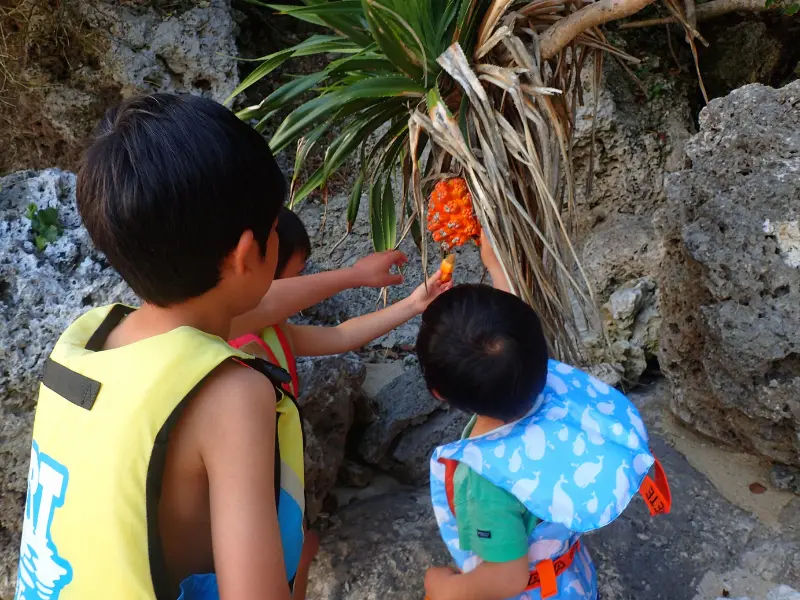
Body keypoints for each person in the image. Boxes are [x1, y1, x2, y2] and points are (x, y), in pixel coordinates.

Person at [11, 92, 440, 600]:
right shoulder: (230, 394)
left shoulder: (92, 340)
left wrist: (354, 277)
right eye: (273, 228)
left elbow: (258, 302)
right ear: (246, 253)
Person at [418, 233, 671, 600]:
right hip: (570, 575)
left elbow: (507, 579)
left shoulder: (484, 482)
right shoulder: (542, 380)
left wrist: (445, 590)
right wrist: (494, 262)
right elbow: (511, 333)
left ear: (438, 393)